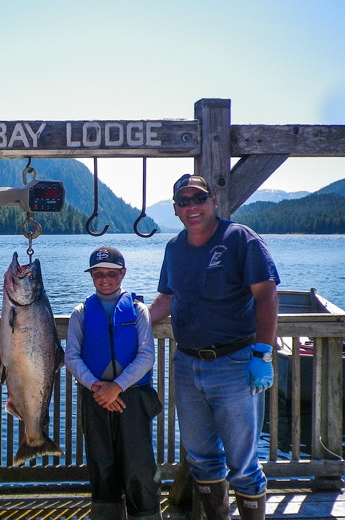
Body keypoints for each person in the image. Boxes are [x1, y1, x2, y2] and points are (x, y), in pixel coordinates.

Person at [148, 174, 279, 520]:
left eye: (198, 199)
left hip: (235, 364)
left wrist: (262, 354)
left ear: (213, 202)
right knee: (202, 458)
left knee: (244, 464)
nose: (192, 207)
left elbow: (266, 295)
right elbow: (167, 298)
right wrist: (132, 322)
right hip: (187, 365)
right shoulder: (174, 248)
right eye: (184, 201)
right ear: (176, 209)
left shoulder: (240, 239)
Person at [65, 246, 163, 520]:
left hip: (132, 397)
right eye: (98, 274)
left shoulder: (138, 309)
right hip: (95, 397)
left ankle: (145, 514)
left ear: (123, 274)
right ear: (91, 276)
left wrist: (117, 386)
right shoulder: (81, 312)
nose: (105, 279)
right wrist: (97, 386)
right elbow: (72, 357)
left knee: (138, 463)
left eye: (111, 273)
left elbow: (146, 356)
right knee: (101, 462)